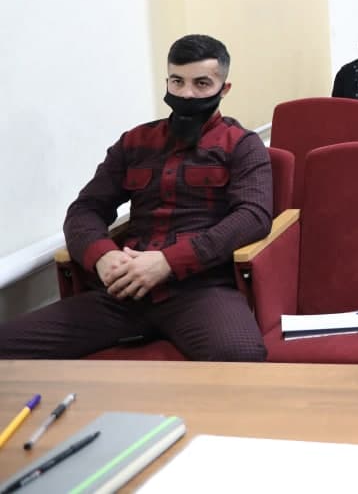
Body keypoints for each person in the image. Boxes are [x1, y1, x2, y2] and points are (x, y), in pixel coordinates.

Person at [0, 35, 272, 361]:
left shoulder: (241, 145)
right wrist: (102, 256)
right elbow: (86, 209)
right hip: (124, 289)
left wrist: (168, 262)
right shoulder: (135, 142)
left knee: (241, 356)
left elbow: (253, 216)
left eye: (201, 83)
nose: (187, 93)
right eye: (177, 81)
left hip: (200, 289)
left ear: (224, 89)